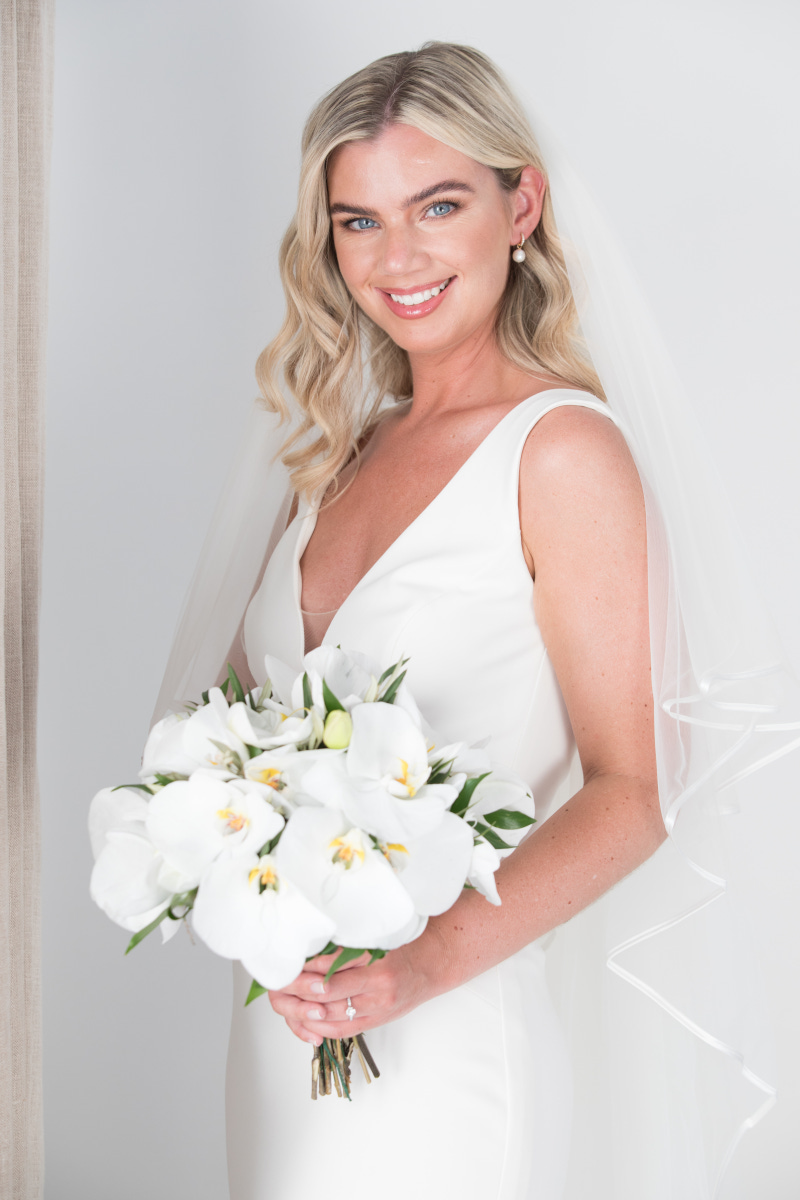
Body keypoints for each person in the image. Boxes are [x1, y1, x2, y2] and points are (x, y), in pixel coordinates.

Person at [153, 42, 799, 1200]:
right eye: (357, 221)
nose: (395, 257)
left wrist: (415, 964)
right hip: (286, 1026)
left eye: (437, 205)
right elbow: (238, 737)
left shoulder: (560, 453)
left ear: (521, 207)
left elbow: (634, 788)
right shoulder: (330, 455)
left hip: (446, 1035)